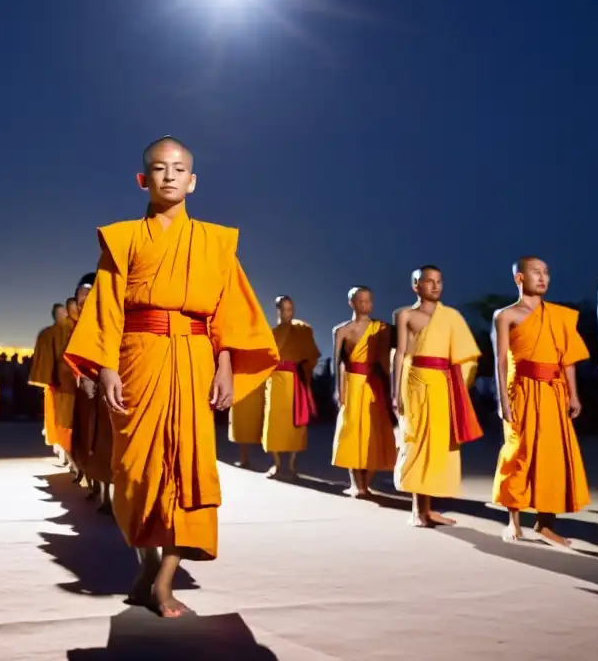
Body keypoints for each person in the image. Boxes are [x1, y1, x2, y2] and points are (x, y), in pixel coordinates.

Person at [64, 136, 278, 618]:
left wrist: (225, 363)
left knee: (188, 468)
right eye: (159, 168)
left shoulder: (216, 243)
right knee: (135, 472)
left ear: (193, 180)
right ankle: (145, 566)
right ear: (144, 179)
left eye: (179, 169)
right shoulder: (123, 240)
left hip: (196, 358)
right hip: (138, 358)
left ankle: (163, 579)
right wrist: (106, 366)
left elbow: (229, 311)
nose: (169, 176)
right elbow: (104, 309)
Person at [491, 257, 590, 545]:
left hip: (554, 392)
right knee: (518, 453)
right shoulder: (506, 315)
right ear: (519, 278)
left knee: (553, 458)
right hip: (520, 390)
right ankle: (513, 521)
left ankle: (545, 524)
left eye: (546, 272)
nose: (543, 277)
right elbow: (500, 361)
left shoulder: (560, 315)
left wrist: (574, 394)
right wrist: (502, 401)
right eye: (536, 272)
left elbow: (568, 359)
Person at [393, 266, 482, 527]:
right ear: (415, 286)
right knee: (417, 442)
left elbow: (465, 356)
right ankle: (416, 510)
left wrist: (460, 383)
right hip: (416, 383)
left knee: (440, 446)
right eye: (428, 281)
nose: (435, 286)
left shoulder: (451, 316)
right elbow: (399, 354)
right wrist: (395, 392)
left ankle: (427, 508)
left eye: (439, 281)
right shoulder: (405, 314)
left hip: (444, 385)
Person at [332, 286, 397, 497]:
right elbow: (337, 363)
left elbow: (389, 360)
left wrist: (393, 389)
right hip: (351, 383)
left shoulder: (382, 328)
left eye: (369, 301)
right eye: (361, 301)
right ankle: (356, 484)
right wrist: (338, 389)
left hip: (373, 384)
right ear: (351, 303)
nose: (366, 305)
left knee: (373, 432)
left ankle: (366, 484)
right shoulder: (341, 330)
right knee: (351, 432)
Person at [259, 296, 321, 478]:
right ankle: (277, 464)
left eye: (290, 309)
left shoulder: (302, 331)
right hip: (275, 380)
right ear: (277, 310)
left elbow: (311, 355)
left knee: (295, 424)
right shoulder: (271, 333)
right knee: (274, 422)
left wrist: (304, 371)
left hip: (294, 380)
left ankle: (292, 465)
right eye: (284, 309)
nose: (288, 313)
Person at [69, 274, 113, 511]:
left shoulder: (107, 318)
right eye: (80, 296)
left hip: (106, 388)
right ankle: (95, 487)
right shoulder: (78, 325)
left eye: (88, 295)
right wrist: (80, 377)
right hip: (85, 391)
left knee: (104, 442)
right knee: (86, 438)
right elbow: (73, 357)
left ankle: (107, 494)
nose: (83, 300)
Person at [29, 303, 77, 467]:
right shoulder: (68, 330)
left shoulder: (46, 333)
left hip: (54, 382)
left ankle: (63, 452)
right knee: (64, 419)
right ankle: (66, 453)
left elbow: (41, 361)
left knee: (57, 419)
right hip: (66, 382)